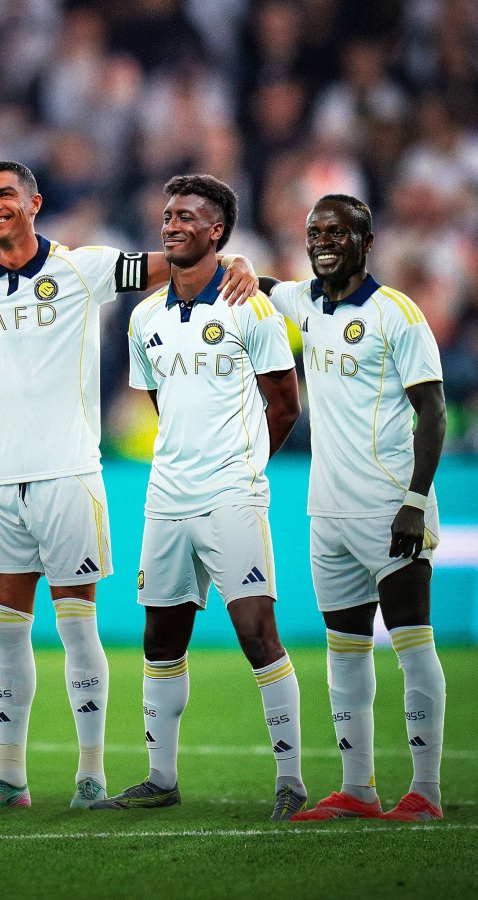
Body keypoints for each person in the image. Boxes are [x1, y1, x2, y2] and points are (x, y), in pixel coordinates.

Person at [0, 161, 258, 809]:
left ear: (34, 202)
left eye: (5, 194)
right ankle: (10, 778)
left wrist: (237, 263)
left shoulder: (82, 268)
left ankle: (90, 776)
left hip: (69, 476)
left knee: (77, 630)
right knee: (5, 635)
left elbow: (178, 262)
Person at [88, 174, 307, 821]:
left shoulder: (250, 307)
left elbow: (285, 404)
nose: (172, 224)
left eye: (187, 216)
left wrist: (244, 466)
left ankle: (291, 781)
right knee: (160, 639)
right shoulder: (143, 317)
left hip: (232, 494)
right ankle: (161, 777)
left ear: (217, 231)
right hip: (166, 497)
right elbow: (163, 403)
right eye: (167, 215)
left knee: (257, 633)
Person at [230, 194, 446, 822]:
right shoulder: (305, 302)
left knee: (412, 643)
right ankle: (359, 789)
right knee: (345, 650)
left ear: (367, 241)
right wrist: (238, 263)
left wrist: (414, 501)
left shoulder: (396, 313)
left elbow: (432, 411)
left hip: (390, 508)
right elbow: (263, 285)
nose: (323, 241)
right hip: (326, 514)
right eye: (315, 232)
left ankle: (426, 792)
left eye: (338, 232)